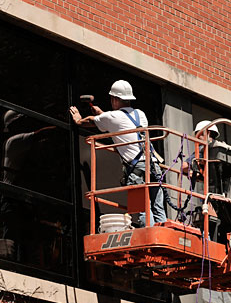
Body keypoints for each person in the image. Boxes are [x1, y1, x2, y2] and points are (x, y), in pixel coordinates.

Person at [69, 80, 167, 227]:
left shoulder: (112, 117)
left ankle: (150, 236)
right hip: (153, 166)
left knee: (143, 210)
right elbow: (121, 126)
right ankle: (163, 235)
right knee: (158, 208)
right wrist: (103, 114)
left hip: (137, 170)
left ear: (114, 99)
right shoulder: (140, 114)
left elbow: (91, 121)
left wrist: (78, 120)